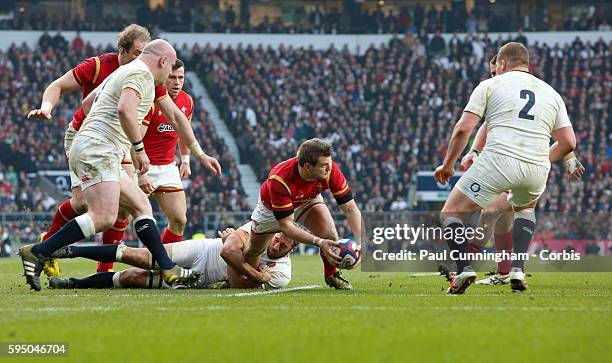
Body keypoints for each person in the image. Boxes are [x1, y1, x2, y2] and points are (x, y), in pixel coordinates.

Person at [28, 25, 222, 272]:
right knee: (89, 208)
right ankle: (46, 247)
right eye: (137, 52)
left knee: (136, 206)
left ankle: (141, 267)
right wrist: (49, 108)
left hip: (111, 142)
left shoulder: (142, 74)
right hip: (93, 139)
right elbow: (70, 92)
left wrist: (196, 154)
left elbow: (175, 115)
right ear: (124, 50)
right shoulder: (109, 67)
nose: (141, 57)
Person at [434, 42, 577, 294]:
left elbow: (463, 128)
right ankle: (517, 269)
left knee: (452, 212)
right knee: (524, 209)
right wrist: (545, 157)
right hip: (536, 168)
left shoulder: (491, 85)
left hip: (499, 160)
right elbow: (568, 142)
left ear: (501, 64)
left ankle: (464, 268)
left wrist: (448, 165)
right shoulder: (551, 93)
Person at [245, 138, 363, 290]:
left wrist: (362, 242)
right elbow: (286, 226)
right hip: (271, 210)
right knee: (252, 252)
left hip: (308, 199)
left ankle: (332, 274)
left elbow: (350, 208)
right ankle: (236, 273)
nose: (329, 168)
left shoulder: (331, 169)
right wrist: (319, 242)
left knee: (330, 234)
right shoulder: (280, 179)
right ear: (307, 167)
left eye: (329, 163)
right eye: (324, 166)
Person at [47, 222, 295, 290]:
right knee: (138, 256)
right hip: (204, 249)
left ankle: (72, 283)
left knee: (132, 277)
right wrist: (248, 268)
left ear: (291, 250)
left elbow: (241, 283)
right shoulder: (262, 227)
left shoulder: (283, 274)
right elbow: (229, 250)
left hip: (203, 279)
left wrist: (234, 251)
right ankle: (69, 251)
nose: (278, 243)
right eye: (279, 237)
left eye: (284, 245)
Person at [138, 59, 192, 244]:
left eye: (181, 78)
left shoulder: (187, 101)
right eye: (172, 77)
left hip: (168, 167)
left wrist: (185, 160)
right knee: (122, 219)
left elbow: (184, 133)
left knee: (179, 220)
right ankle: (105, 268)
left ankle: (163, 267)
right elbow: (134, 138)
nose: (177, 82)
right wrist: (139, 172)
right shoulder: (151, 101)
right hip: (143, 167)